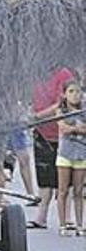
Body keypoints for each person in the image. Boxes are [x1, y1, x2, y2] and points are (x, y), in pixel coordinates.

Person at [29, 68, 71, 229]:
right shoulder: (37, 73)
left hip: (63, 134)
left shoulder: (64, 75)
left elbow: (63, 103)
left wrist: (38, 116)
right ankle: (41, 217)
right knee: (44, 177)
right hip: (42, 133)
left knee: (65, 179)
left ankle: (67, 219)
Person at [55, 79, 86, 236]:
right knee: (63, 191)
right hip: (65, 155)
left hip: (81, 154)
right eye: (71, 91)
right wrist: (77, 129)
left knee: (79, 191)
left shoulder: (84, 110)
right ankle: (62, 225)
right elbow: (63, 129)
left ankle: (80, 225)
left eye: (78, 91)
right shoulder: (61, 111)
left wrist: (77, 130)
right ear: (65, 94)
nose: (75, 95)